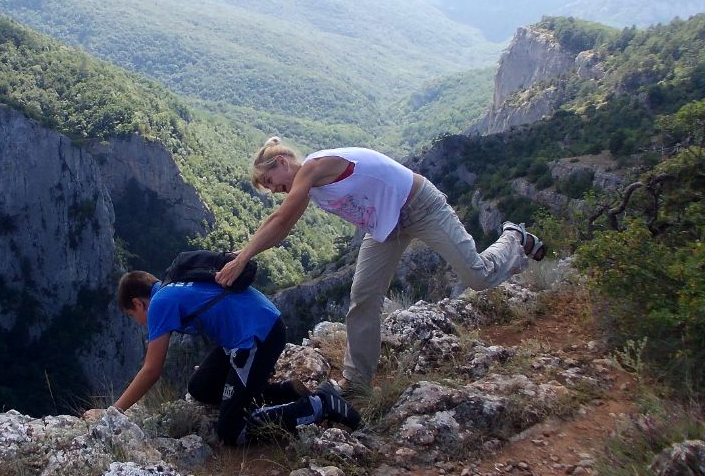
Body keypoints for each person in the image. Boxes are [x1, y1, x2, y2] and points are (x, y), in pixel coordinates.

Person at [215, 139, 545, 393]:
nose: (273, 189)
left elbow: (280, 218)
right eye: (269, 188)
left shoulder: (314, 167)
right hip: (385, 228)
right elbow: (285, 226)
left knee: (477, 276)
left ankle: (514, 236)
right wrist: (246, 253)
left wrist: (242, 258)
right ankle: (357, 382)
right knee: (364, 298)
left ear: (283, 162)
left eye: (271, 180)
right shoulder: (309, 189)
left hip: (420, 206)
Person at [82, 270, 361, 444]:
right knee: (200, 387)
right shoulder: (173, 284)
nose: (141, 323)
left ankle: (320, 403)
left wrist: (112, 412)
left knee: (231, 431)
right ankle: (283, 391)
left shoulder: (159, 304)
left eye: (134, 317)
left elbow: (152, 370)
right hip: (253, 327)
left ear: (137, 303)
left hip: (256, 338)